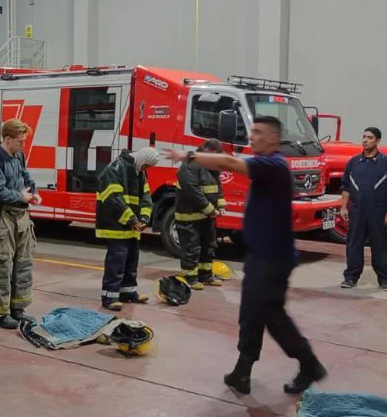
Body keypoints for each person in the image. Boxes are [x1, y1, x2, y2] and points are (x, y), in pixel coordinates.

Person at [164, 116, 327, 395]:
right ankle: (243, 371)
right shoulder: (267, 166)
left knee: (271, 315)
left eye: (258, 132)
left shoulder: (273, 165)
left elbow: (228, 163)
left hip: (272, 258)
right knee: (251, 314)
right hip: (260, 256)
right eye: (252, 131)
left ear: (274, 139)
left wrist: (188, 155)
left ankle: (309, 363)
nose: (252, 136)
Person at [0, 119, 41, 330]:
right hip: (3, 220)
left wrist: (33, 192)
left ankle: (18, 309)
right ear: (7, 139)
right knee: (2, 266)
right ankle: (0, 314)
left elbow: (25, 176)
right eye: (20, 141)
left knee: (23, 264)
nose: (23, 145)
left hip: (21, 218)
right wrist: (21, 196)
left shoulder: (18, 156)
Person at [339, 127, 387, 292]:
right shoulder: (353, 162)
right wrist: (343, 207)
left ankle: (385, 280)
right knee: (353, 245)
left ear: (378, 141)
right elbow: (346, 186)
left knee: (381, 246)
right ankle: (351, 277)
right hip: (357, 211)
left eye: (370, 137)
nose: (365, 140)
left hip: (379, 212)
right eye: (364, 137)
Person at [96, 147, 159, 311]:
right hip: (116, 225)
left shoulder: (138, 171)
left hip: (132, 224)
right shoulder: (115, 168)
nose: (147, 170)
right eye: (146, 166)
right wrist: (132, 219)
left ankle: (128, 292)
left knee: (131, 261)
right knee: (116, 262)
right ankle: (109, 297)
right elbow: (113, 199)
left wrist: (144, 219)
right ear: (141, 159)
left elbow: (146, 197)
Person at [175, 139, 226, 290]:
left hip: (206, 217)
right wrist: (210, 209)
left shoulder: (211, 166)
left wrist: (221, 204)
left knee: (208, 246)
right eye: (216, 155)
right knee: (192, 247)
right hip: (189, 217)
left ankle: (206, 275)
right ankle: (190, 277)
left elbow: (218, 188)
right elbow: (192, 190)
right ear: (208, 152)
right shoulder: (190, 165)